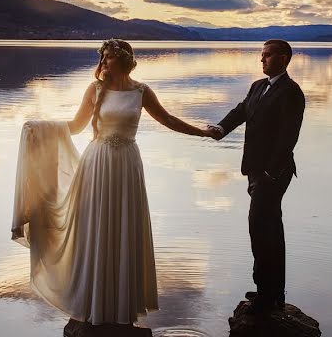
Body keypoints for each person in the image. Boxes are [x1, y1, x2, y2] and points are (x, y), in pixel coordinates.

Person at [12, 38, 213, 334]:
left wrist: (203, 133)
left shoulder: (141, 91)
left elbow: (168, 119)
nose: (103, 63)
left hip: (127, 165)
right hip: (97, 163)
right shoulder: (95, 90)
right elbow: (76, 127)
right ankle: (91, 305)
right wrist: (39, 128)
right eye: (102, 58)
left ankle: (120, 309)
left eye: (108, 57)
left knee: (123, 229)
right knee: (94, 229)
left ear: (124, 59)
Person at [206, 39, 305, 315]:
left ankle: (268, 293)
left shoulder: (291, 92)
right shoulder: (258, 86)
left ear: (284, 58)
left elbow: (288, 137)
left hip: (273, 173)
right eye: (261, 55)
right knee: (269, 229)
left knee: (260, 228)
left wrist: (269, 174)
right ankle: (271, 292)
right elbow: (241, 111)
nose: (261, 60)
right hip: (255, 170)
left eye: (267, 55)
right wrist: (220, 127)